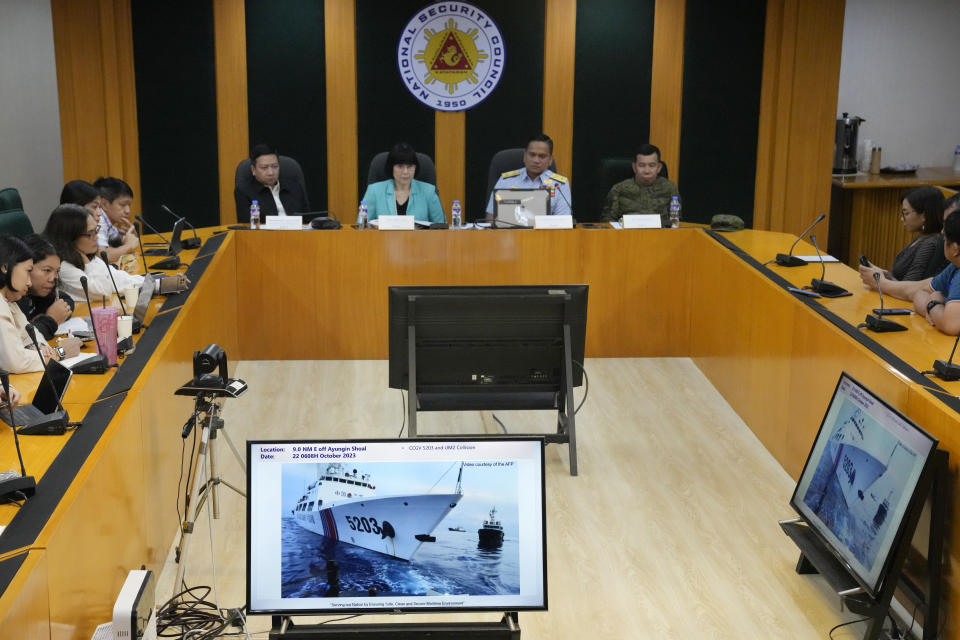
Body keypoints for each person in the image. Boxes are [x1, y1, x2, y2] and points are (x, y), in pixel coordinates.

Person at [45, 205, 189, 302]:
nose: (97, 237)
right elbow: (103, 291)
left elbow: (116, 278)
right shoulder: (63, 267)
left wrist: (161, 284)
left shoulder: (87, 256)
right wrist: (86, 261)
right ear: (70, 237)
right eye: (90, 233)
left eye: (97, 230)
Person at [859, 192, 959, 301]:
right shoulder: (953, 267)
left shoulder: (931, 243)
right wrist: (883, 276)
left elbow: (948, 317)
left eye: (906, 213)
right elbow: (919, 290)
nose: (943, 230)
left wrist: (881, 282)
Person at [0, 235, 62, 373]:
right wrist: (59, 353)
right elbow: (16, 362)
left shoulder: (10, 301)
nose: (29, 282)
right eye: (28, 271)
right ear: (5, 267)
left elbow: (31, 335)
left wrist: (39, 346)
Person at [859, 187, 946, 283]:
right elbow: (899, 279)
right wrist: (879, 272)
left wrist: (879, 280)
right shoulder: (922, 236)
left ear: (924, 215)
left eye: (906, 213)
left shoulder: (930, 243)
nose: (901, 218)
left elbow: (908, 287)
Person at [17, 235, 81, 351]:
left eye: (57, 271)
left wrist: (44, 319)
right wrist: (51, 319)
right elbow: (22, 341)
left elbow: (66, 300)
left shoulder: (41, 291)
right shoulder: (14, 297)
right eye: (47, 270)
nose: (53, 278)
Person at [485, 134, 572, 217]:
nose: (536, 160)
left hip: (545, 232)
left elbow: (562, 222)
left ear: (550, 160)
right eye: (532, 155)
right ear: (524, 156)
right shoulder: (505, 181)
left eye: (542, 156)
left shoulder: (559, 185)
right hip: (510, 232)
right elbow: (491, 218)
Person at [361, 143, 445, 224]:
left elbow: (442, 228)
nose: (405, 172)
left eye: (410, 167)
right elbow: (361, 227)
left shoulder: (428, 191)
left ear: (415, 167)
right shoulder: (374, 191)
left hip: (420, 238)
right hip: (382, 238)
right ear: (391, 167)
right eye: (400, 166)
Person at [600, 143, 680, 226]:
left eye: (652, 165)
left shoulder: (670, 188)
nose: (647, 171)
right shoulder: (619, 189)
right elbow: (607, 222)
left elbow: (676, 221)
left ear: (659, 168)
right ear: (634, 167)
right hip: (627, 236)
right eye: (642, 165)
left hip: (661, 236)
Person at [234, 144, 310, 223]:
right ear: (253, 170)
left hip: (298, 234)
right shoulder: (244, 191)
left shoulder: (295, 187)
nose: (270, 172)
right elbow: (246, 226)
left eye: (275, 166)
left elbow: (307, 220)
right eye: (264, 167)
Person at [914, 211, 960, 335]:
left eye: (945, 239)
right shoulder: (955, 266)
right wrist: (937, 311)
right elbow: (921, 293)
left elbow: (950, 325)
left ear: (955, 249)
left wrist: (932, 305)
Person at [92, 176, 139, 263]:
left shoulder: (108, 222)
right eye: (122, 205)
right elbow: (103, 256)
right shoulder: (99, 219)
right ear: (104, 204)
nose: (128, 211)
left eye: (129, 205)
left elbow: (113, 247)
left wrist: (128, 235)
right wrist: (128, 246)